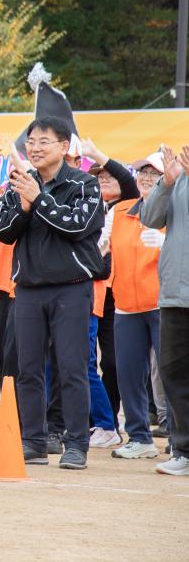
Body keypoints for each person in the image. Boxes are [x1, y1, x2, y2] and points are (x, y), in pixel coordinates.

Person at [0, 116, 104, 471]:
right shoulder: (21, 185)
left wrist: (38, 200)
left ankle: (76, 445)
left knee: (72, 368)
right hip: (30, 290)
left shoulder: (84, 185)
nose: (34, 148)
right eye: (31, 142)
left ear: (64, 147)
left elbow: (78, 225)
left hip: (72, 290)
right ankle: (33, 442)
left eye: (44, 142)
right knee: (28, 369)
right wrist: (23, 207)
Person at [84, 137, 141, 440]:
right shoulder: (92, 208)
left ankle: (117, 422)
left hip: (119, 291)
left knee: (115, 361)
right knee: (88, 361)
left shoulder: (131, 204)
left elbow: (128, 180)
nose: (103, 180)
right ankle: (102, 423)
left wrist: (98, 156)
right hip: (94, 292)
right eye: (99, 177)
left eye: (108, 176)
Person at [107, 155, 164, 460]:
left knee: (172, 374)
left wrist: (165, 242)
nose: (146, 177)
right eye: (143, 171)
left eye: (154, 173)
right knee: (128, 373)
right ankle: (140, 437)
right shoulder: (118, 211)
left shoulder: (176, 208)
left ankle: (181, 442)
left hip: (163, 304)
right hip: (126, 305)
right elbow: (99, 245)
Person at [140, 144, 189, 475]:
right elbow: (149, 217)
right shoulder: (179, 177)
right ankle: (183, 450)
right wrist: (166, 183)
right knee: (173, 371)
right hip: (174, 291)